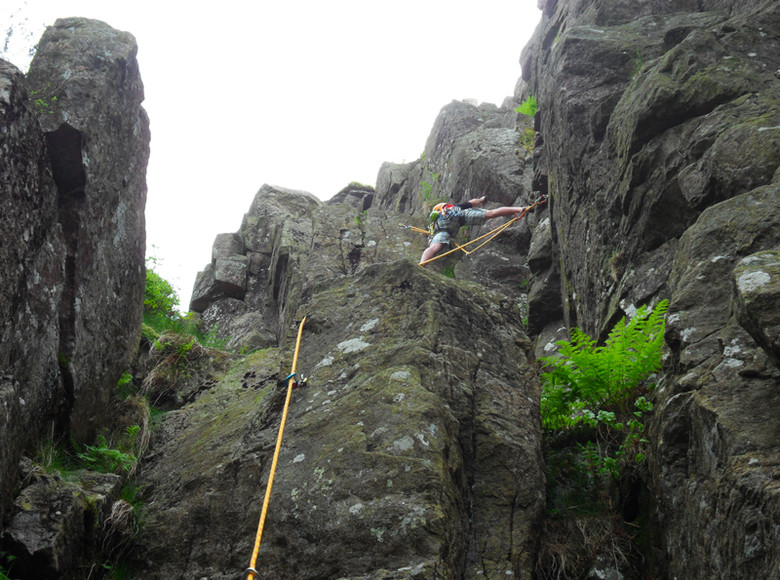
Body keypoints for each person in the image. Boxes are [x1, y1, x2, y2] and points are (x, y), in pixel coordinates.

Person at [419, 196, 529, 265]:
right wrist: (481, 200)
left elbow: (431, 241)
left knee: (434, 247)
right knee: (492, 213)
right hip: (460, 216)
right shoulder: (454, 207)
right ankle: (520, 209)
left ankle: (422, 263)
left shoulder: (434, 224)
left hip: (444, 228)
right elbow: (472, 202)